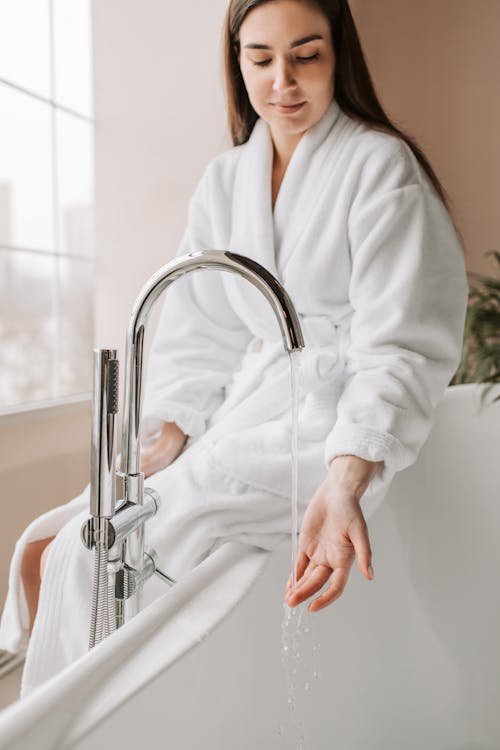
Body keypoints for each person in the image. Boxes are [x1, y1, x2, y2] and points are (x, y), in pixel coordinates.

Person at [0, 0, 467, 691]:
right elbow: (199, 329)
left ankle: (108, 714)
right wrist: (173, 425)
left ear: (339, 54)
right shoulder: (226, 178)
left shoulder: (378, 165)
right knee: (47, 546)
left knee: (101, 554)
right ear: (236, 61)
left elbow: (398, 344)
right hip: (239, 411)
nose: (284, 80)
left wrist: (348, 477)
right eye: (261, 59)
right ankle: (78, 720)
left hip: (326, 425)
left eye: (306, 55)